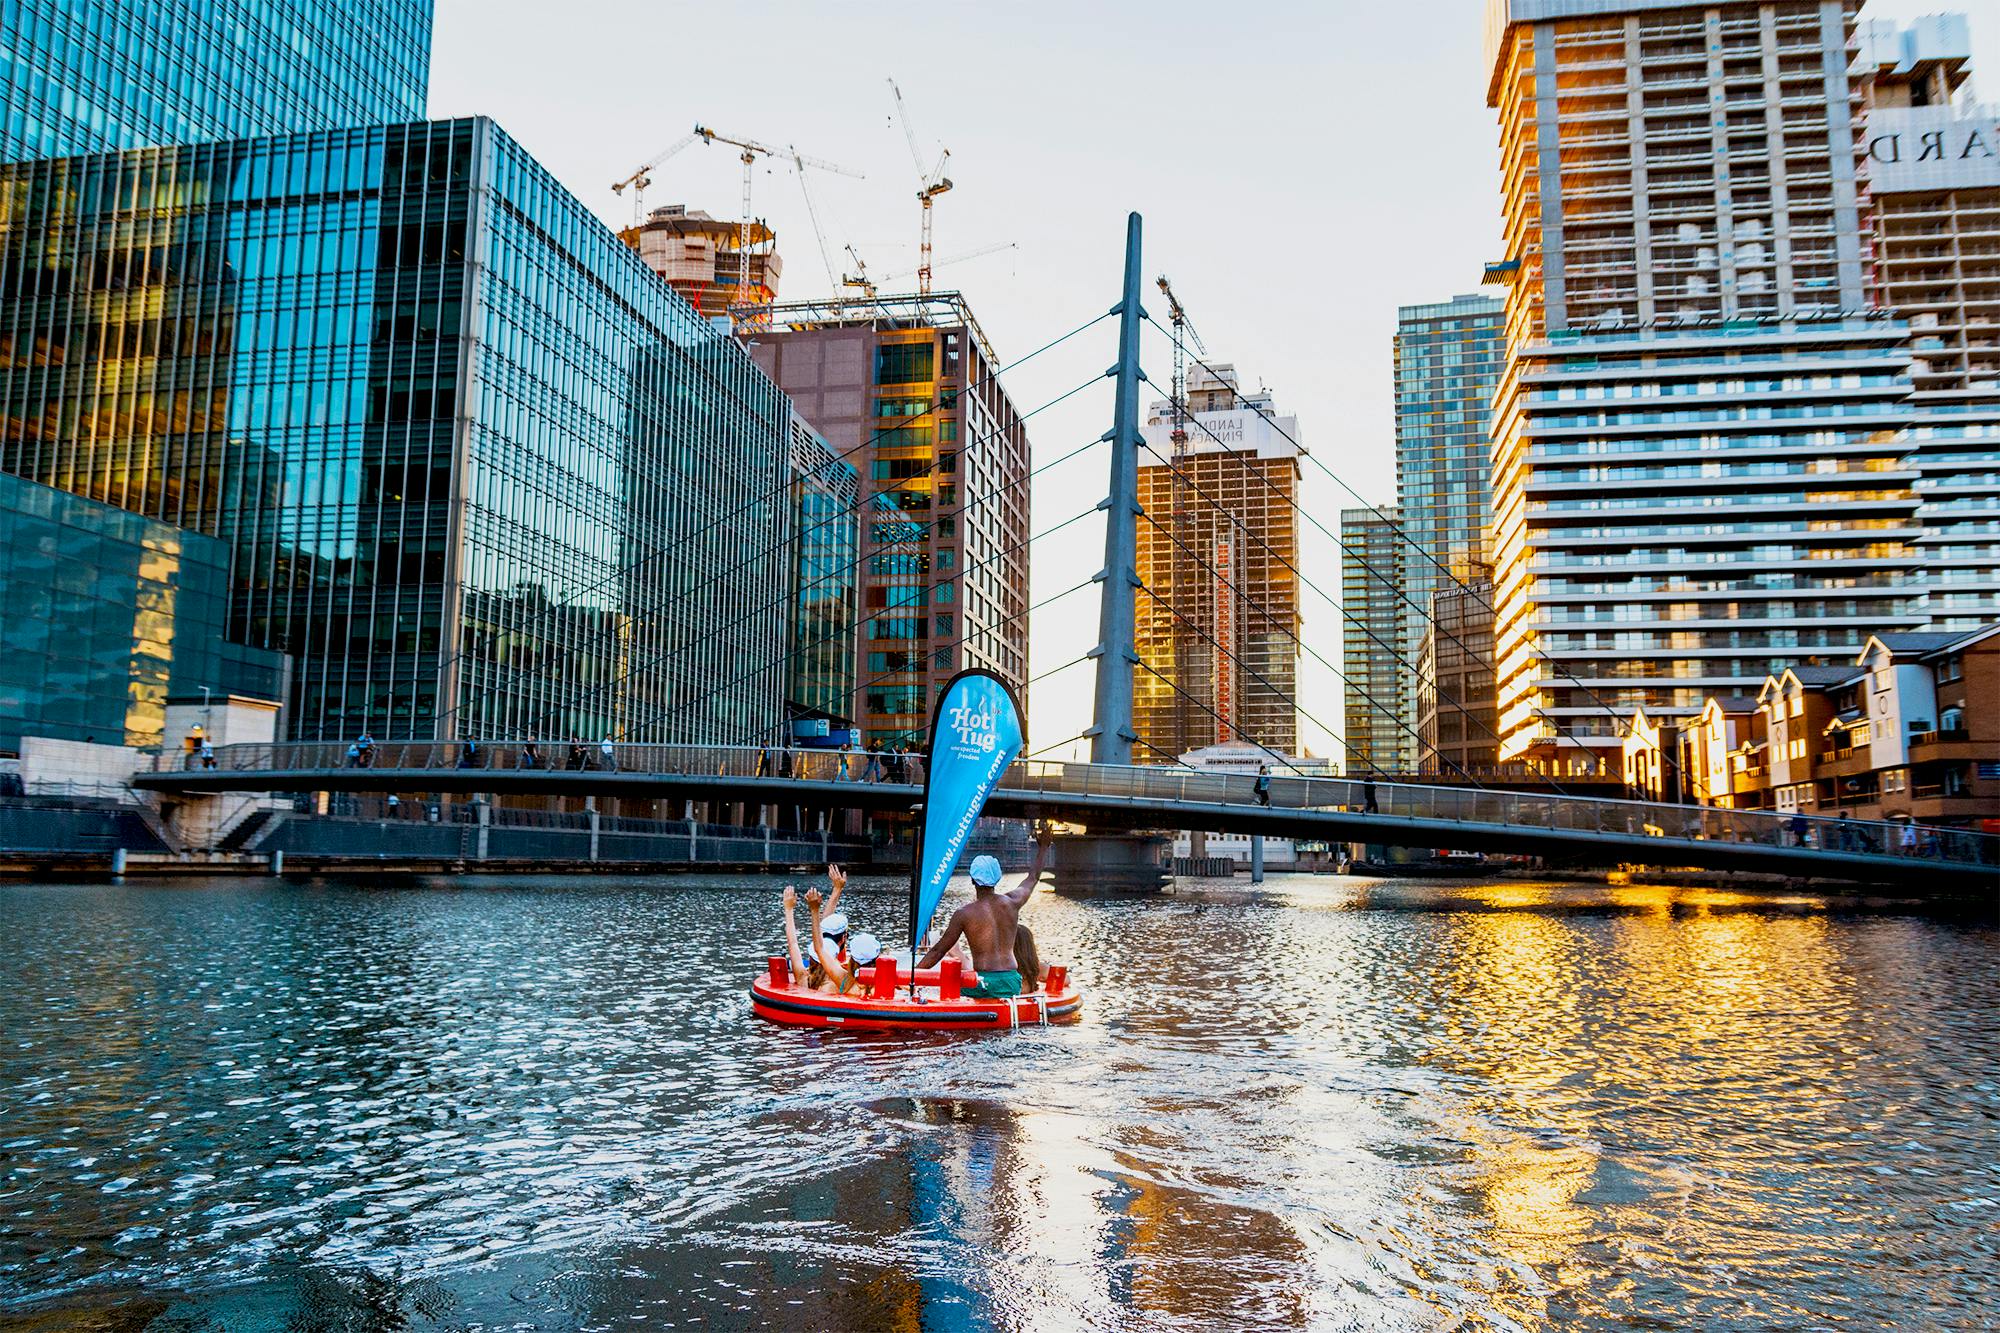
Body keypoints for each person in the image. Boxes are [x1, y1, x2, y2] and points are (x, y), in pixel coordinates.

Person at [917, 828, 1054, 1000]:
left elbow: (938, 951)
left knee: (947, 987)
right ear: (997, 878)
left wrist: (913, 976)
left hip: (984, 983)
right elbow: (1033, 877)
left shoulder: (964, 913)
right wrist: (1043, 847)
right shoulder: (1012, 902)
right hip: (1012, 981)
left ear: (973, 879)